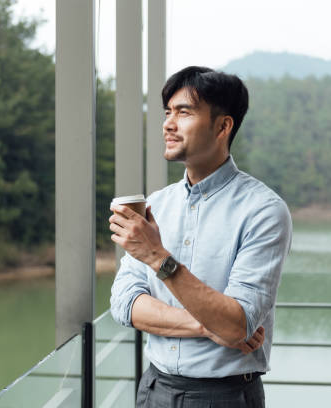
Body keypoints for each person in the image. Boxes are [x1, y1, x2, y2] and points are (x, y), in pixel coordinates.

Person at [109, 66, 292, 407]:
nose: (168, 123)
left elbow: (237, 322)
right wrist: (208, 326)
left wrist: (158, 258)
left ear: (223, 126)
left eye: (184, 112)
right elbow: (124, 304)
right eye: (168, 112)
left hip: (223, 396)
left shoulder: (264, 210)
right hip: (153, 389)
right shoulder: (157, 205)